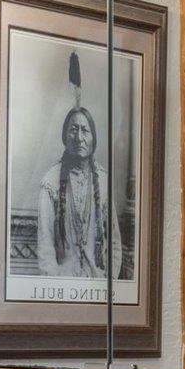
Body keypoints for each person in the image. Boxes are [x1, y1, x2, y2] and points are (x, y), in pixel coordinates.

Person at [36, 103, 107, 279]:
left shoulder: (103, 181)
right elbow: (45, 243)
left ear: (93, 138)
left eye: (85, 130)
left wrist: (107, 280)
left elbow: (114, 242)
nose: (79, 138)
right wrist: (56, 282)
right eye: (74, 130)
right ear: (65, 137)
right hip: (62, 281)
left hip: (97, 283)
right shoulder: (50, 182)